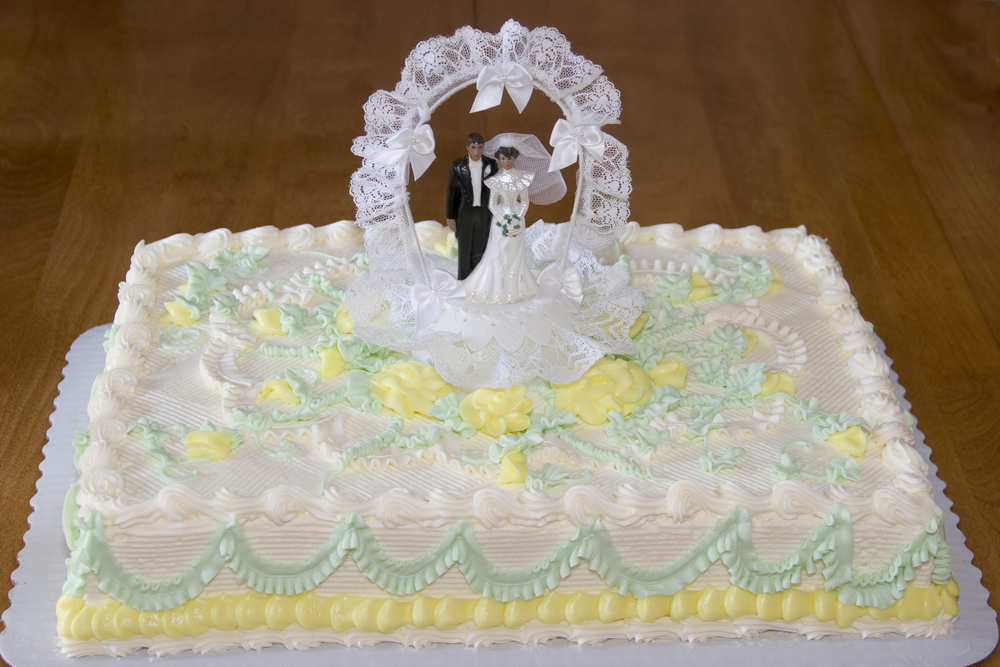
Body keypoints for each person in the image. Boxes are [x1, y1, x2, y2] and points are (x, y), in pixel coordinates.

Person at [464, 146, 538, 304]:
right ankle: (496, 286)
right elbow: (492, 204)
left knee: (515, 252)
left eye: (509, 158)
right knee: (498, 250)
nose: (506, 162)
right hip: (500, 219)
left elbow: (524, 201)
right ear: (499, 159)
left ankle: (516, 286)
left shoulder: (521, 178)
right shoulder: (496, 180)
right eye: (503, 158)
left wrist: (517, 218)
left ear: (514, 159)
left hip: (517, 218)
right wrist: (503, 219)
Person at [445, 133, 498, 280]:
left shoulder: (491, 165)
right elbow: (451, 193)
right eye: (473, 147)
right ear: (467, 147)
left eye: (480, 147)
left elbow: (496, 188)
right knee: (465, 245)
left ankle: (480, 278)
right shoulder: (457, 166)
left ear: (483, 147)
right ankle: (464, 277)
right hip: (464, 212)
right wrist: (450, 216)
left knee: (482, 245)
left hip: (484, 212)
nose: (476, 151)